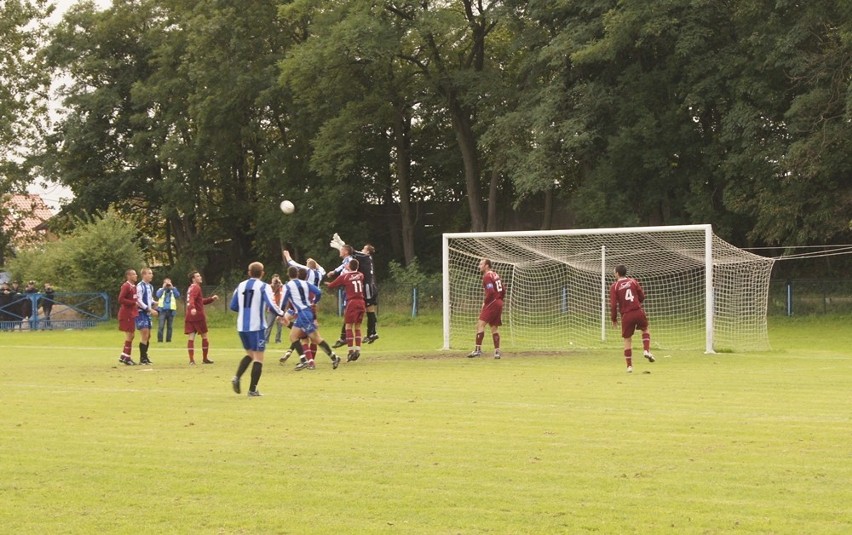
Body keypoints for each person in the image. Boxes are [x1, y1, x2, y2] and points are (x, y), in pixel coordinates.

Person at [230, 261, 286, 397]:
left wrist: (244, 309)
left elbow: (233, 306)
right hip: (257, 326)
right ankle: (252, 390)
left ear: (249, 273)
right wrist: (282, 314)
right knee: (258, 358)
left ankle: (237, 377)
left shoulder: (241, 285)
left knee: (250, 355)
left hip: (242, 327)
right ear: (262, 273)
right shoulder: (263, 286)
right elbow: (271, 305)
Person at [281, 265, 341, 371]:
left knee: (315, 338)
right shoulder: (305, 283)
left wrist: (280, 312)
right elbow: (318, 292)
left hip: (303, 314)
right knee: (293, 336)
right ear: (297, 274)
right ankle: (307, 360)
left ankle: (331, 357)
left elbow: (284, 301)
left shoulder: (288, 286)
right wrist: (314, 301)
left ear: (288, 274)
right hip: (306, 312)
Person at [328, 240, 379, 346]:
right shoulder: (365, 259)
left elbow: (352, 251)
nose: (362, 250)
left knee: (356, 311)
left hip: (367, 287)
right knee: (369, 311)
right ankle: (371, 333)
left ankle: (346, 337)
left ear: (368, 252)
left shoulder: (365, 257)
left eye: (364, 249)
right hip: (370, 286)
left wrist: (341, 244)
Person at [609, 264, 655, 373]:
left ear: (617, 273)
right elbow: (642, 296)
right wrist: (637, 303)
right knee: (645, 329)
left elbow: (613, 305)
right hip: (638, 311)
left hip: (626, 315)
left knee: (627, 339)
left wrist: (614, 319)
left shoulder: (614, 286)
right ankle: (646, 350)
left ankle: (629, 366)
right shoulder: (633, 281)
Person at [327, 258, 366, 362]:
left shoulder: (345, 276)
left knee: (348, 326)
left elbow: (332, 285)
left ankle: (350, 352)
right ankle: (357, 350)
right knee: (357, 327)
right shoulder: (361, 275)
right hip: (361, 302)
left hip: (352, 302)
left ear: (349, 266)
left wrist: (328, 284)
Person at [467, 258, 506, 359]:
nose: (479, 266)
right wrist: (500, 300)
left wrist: (485, 302)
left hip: (492, 302)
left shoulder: (487, 276)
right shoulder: (495, 274)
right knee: (494, 327)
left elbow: (491, 291)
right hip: (499, 302)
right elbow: (503, 289)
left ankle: (477, 350)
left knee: (480, 324)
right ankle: (497, 352)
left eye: (481, 264)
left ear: (487, 266)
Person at [184, 270, 219, 365]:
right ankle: (205, 358)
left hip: (189, 316)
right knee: (204, 336)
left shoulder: (191, 287)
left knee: (191, 337)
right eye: (198, 276)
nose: (200, 277)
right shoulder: (196, 287)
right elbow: (192, 299)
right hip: (198, 316)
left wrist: (211, 299)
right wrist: (193, 308)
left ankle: (191, 360)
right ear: (193, 279)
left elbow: (199, 301)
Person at [135, 267, 159, 365]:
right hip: (141, 313)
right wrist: (149, 309)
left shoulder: (150, 286)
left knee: (148, 335)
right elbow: (138, 301)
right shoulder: (140, 286)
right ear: (144, 275)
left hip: (147, 313)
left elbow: (150, 299)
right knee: (144, 334)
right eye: (149, 273)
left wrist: (155, 303)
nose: (151, 275)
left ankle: (145, 356)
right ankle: (142, 358)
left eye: (151, 273)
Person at [117, 269, 139, 365]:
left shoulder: (133, 286)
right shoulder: (126, 286)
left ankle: (124, 355)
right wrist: (133, 303)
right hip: (126, 314)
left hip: (131, 313)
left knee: (131, 335)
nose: (136, 276)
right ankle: (127, 357)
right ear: (129, 276)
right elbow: (121, 299)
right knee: (130, 335)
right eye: (134, 274)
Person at [155, 278, 181, 342]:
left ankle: (168, 340)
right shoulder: (160, 290)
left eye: (169, 283)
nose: (168, 285)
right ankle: (160, 340)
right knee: (161, 326)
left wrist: (172, 288)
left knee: (170, 327)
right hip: (162, 310)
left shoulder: (173, 290)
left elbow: (177, 295)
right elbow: (158, 295)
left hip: (171, 311)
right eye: (166, 283)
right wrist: (163, 288)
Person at [264, 274, 284, 343]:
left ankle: (278, 340)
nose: (276, 281)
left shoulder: (281, 287)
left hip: (280, 309)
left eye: (277, 279)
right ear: (271, 279)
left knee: (279, 326)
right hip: (272, 309)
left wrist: (279, 283)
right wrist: (274, 283)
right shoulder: (269, 287)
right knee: (269, 325)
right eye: (274, 279)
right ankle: (266, 340)